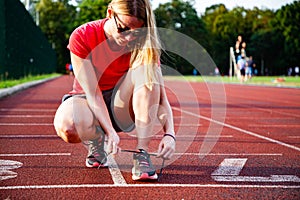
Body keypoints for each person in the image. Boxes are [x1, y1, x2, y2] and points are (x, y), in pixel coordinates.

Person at [53, 0, 176, 181]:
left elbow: (160, 98)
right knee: (68, 127)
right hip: (88, 100)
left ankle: (142, 153)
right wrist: (109, 131)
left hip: (122, 104)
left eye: (137, 33)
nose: (129, 39)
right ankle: (96, 138)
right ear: (110, 13)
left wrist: (170, 134)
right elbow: (93, 93)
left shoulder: (144, 44)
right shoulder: (82, 35)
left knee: (148, 70)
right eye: (123, 29)